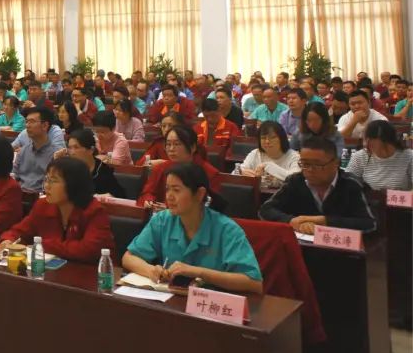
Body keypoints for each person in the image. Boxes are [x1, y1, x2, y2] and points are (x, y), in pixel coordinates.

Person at [123, 163, 263, 295]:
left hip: (209, 305)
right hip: (171, 301)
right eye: (167, 189)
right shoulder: (162, 220)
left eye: (176, 190)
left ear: (200, 194)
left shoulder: (227, 230)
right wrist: (151, 270)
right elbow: (129, 258)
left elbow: (254, 282)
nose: (169, 196)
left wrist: (198, 272)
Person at [0, 157, 115, 263]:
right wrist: (8, 240)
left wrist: (43, 245)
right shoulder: (43, 205)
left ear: (73, 185)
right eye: (46, 179)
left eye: (53, 181)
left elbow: (88, 250)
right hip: (51, 271)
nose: (47, 186)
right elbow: (19, 231)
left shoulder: (94, 211)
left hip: (90, 273)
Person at [260, 135, 376, 233]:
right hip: (302, 246)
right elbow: (266, 209)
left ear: (336, 163)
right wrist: (290, 220)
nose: (310, 170)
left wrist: (325, 221)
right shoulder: (295, 181)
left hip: (341, 250)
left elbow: (369, 223)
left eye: (317, 165)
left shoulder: (351, 184)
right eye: (305, 164)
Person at [138, 126, 222, 209]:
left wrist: (169, 209)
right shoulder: (160, 168)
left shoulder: (210, 173)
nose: (171, 149)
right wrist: (148, 201)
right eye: (168, 144)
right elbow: (147, 192)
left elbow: (209, 206)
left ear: (193, 147)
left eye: (177, 144)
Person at [345, 120, 413, 191]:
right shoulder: (360, 156)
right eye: (365, 139)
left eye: (370, 139)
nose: (365, 144)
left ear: (385, 140)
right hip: (369, 197)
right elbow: (348, 184)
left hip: (400, 197)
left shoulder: (409, 156)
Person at [61, 128, 127, 198]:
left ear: (91, 150)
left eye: (76, 147)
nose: (72, 152)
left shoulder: (103, 171)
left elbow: (120, 196)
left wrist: (109, 196)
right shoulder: (68, 168)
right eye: (70, 148)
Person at [12, 107, 63, 192]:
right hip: (20, 194)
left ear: (45, 126)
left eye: (32, 122)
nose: (27, 125)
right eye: (26, 121)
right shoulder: (23, 151)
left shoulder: (56, 155)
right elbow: (14, 176)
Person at [238, 121, 300, 189]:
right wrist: (242, 172)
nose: (267, 141)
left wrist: (268, 166)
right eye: (263, 138)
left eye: (272, 137)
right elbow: (238, 171)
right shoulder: (255, 153)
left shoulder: (294, 156)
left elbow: (296, 179)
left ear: (282, 139)